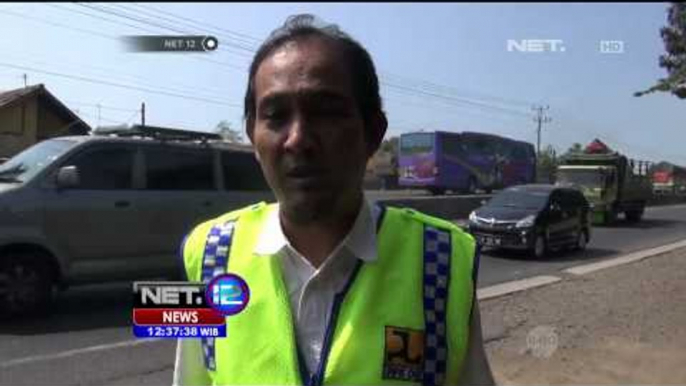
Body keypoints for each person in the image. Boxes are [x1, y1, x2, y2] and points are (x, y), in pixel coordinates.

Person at [173, 13, 495, 386]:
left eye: (325, 112)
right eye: (276, 115)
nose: (297, 139)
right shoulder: (207, 252)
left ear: (373, 132)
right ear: (252, 138)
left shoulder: (443, 259)